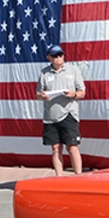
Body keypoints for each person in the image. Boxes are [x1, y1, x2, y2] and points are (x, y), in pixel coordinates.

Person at [36, 44, 86, 176]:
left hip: (69, 113)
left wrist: (73, 94)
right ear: (49, 58)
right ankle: (59, 178)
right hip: (51, 116)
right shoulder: (44, 73)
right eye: (55, 56)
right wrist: (42, 95)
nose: (59, 58)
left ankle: (78, 177)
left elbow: (82, 92)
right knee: (56, 148)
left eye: (60, 55)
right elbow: (38, 94)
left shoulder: (73, 70)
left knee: (72, 147)